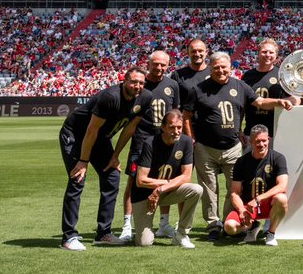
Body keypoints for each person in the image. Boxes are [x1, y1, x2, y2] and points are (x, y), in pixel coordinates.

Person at [184, 50, 290, 238]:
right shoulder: (198, 89)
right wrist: (191, 138)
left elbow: (260, 102)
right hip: (205, 147)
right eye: (216, 67)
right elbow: (187, 116)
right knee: (209, 188)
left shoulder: (240, 86)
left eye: (223, 67)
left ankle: (227, 220)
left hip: (232, 146)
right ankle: (213, 224)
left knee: (233, 188)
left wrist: (280, 102)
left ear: (230, 68)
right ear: (210, 68)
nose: (220, 71)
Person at [58, 67, 150, 250]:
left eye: (141, 82)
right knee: (78, 179)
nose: (137, 86)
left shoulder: (146, 97)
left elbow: (129, 129)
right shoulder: (110, 97)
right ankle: (68, 237)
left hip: (101, 139)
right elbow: (91, 130)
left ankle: (103, 233)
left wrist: (115, 156)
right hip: (76, 135)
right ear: (124, 81)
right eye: (133, 82)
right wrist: (83, 161)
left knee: (112, 177)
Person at [119, 49, 181, 243]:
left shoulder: (173, 85)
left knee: (165, 180)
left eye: (163, 64)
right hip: (141, 142)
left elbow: (176, 113)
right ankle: (127, 225)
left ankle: (163, 223)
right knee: (133, 181)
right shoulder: (140, 85)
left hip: (165, 142)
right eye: (156, 64)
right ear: (149, 64)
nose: (160, 68)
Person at [132, 109, 202, 248]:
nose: (176, 131)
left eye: (179, 127)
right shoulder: (150, 143)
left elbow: (186, 176)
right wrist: (167, 183)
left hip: (164, 192)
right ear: (163, 127)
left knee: (196, 190)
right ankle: (143, 230)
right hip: (144, 196)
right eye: (171, 127)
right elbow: (140, 180)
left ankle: (181, 234)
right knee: (144, 242)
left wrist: (161, 189)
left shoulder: (186, 141)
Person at [224, 124, 289, 247]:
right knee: (229, 227)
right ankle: (252, 227)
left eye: (264, 141)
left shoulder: (278, 158)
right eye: (257, 141)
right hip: (248, 207)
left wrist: (258, 199)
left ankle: (270, 233)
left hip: (268, 204)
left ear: (268, 140)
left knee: (281, 198)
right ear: (250, 142)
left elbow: (282, 186)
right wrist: (242, 210)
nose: (261, 144)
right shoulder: (241, 162)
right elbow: (234, 192)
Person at [241, 37, 295, 141]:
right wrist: (239, 129)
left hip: (276, 133)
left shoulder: (282, 75)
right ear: (258, 53)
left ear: (276, 55)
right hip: (251, 133)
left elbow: (295, 98)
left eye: (271, 52)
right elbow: (242, 105)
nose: (268, 55)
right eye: (264, 52)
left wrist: (286, 102)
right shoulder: (247, 76)